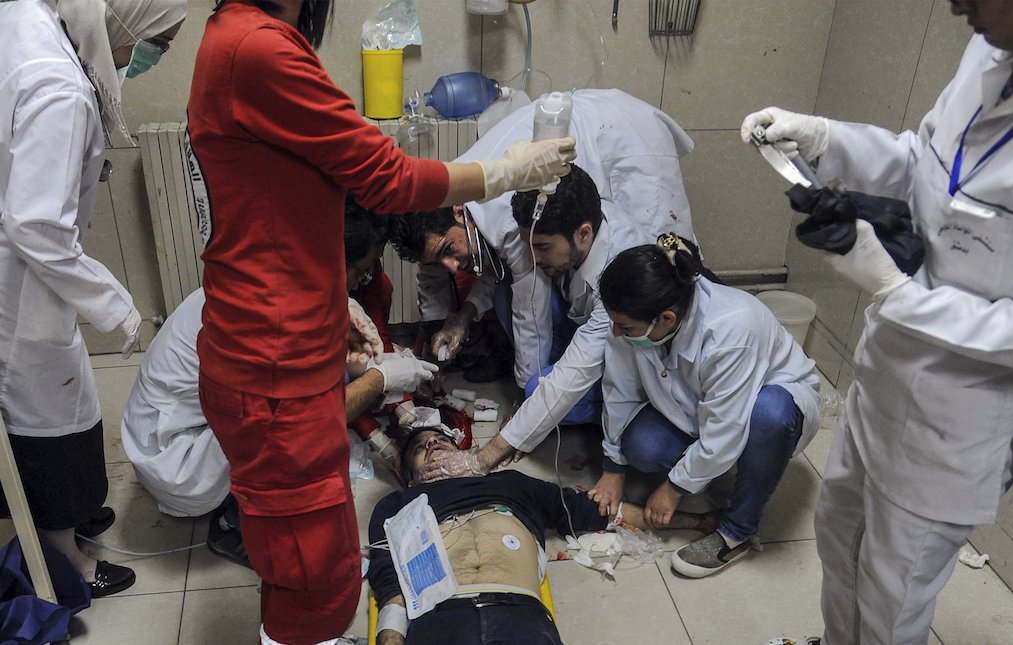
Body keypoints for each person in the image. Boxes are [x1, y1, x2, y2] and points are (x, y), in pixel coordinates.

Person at [741, 1, 1013, 642]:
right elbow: (928, 164)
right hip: (883, 378)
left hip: (956, 426)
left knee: (893, 596)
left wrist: (899, 293)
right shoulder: (995, 47)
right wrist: (827, 139)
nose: (955, 5)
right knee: (841, 548)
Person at [185, 2, 574, 643]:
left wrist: (330, 310)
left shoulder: (243, 40)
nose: (444, 464)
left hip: (277, 346)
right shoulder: (257, 49)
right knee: (317, 574)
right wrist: (508, 171)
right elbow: (387, 176)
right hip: (273, 368)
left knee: (307, 561)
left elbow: (277, 205)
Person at [119, 197, 436, 560]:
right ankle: (233, 525)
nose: (361, 282)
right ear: (333, 261)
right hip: (175, 455)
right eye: (359, 271)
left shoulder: (281, 276)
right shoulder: (272, 320)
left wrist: (378, 369)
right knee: (296, 430)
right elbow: (311, 416)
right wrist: (382, 378)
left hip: (174, 420)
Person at [0, 0, 186, 599]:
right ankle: (66, 560)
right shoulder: (63, 92)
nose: (147, 58)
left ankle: (74, 517)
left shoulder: (26, 16)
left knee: (69, 392)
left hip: (26, 260)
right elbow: (37, 228)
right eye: (154, 42)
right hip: (18, 278)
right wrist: (119, 307)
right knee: (49, 416)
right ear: (124, 19)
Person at [397, 89, 697, 391]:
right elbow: (487, 269)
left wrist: (529, 391)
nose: (450, 266)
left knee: (664, 265)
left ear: (459, 211)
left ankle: (675, 378)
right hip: (590, 126)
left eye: (449, 250)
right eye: (438, 259)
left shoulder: (509, 220)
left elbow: (531, 314)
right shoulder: (447, 197)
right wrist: (456, 319)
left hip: (626, 139)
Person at [589, 235, 821, 579]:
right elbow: (618, 389)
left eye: (626, 328)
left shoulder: (731, 328)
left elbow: (727, 426)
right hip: (700, 406)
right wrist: (613, 466)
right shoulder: (637, 314)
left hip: (771, 403)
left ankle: (737, 531)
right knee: (641, 445)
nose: (617, 333)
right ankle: (721, 470)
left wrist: (673, 488)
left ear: (666, 319)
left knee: (769, 416)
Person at [404, 164, 653, 481]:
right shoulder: (558, 234)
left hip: (627, 365)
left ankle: (593, 415)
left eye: (542, 248)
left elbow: (576, 369)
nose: (532, 259)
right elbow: (506, 280)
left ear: (584, 233)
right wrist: (461, 317)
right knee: (510, 290)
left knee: (543, 389)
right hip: (582, 325)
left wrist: (484, 457)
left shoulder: (618, 277)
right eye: (529, 246)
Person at [366, 427, 720, 645]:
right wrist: (391, 637)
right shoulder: (399, 502)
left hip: (519, 612)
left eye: (441, 440)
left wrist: (695, 520)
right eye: (422, 448)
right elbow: (388, 578)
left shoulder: (511, 482)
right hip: (437, 618)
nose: (435, 446)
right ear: (411, 476)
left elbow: (596, 511)